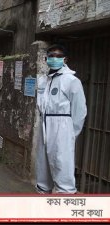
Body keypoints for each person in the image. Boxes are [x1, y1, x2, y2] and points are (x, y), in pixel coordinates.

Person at [36, 44, 87, 194]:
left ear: (65, 59)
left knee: (61, 164)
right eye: (51, 56)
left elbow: (80, 112)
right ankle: (43, 202)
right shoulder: (43, 80)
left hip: (62, 127)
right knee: (43, 165)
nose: (54, 58)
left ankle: (66, 204)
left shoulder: (71, 80)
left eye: (58, 56)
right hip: (44, 124)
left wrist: (70, 134)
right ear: (46, 59)